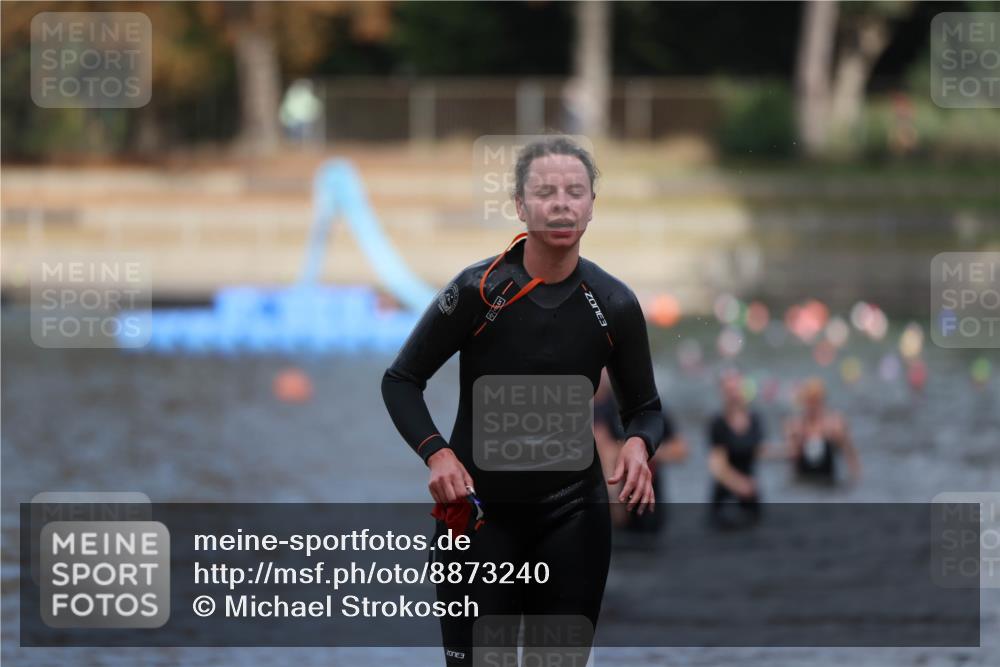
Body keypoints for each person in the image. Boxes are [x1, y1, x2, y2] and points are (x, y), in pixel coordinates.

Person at [382, 136, 665, 666]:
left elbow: (645, 408)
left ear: (591, 207)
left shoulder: (614, 305)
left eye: (575, 191)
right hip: (478, 517)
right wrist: (436, 452)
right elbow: (400, 380)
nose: (561, 203)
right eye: (546, 191)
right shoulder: (478, 292)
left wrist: (637, 445)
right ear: (520, 205)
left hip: (572, 519)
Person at [594, 368, 687, 534]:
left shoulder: (654, 408)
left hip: (653, 498)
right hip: (619, 499)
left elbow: (681, 451)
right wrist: (614, 501)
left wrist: (641, 450)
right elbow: (604, 451)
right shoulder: (604, 408)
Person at [706, 369, 765, 529]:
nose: (733, 394)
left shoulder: (755, 420)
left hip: (750, 495)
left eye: (736, 389)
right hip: (726, 496)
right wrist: (740, 485)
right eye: (729, 390)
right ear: (722, 393)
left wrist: (791, 450)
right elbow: (716, 465)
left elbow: (760, 451)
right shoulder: (718, 424)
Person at [785, 377, 861, 485]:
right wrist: (795, 441)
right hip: (803, 482)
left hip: (828, 482)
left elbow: (850, 454)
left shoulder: (835, 423)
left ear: (822, 401)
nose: (812, 406)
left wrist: (855, 478)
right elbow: (791, 460)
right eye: (809, 401)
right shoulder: (795, 424)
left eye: (816, 401)